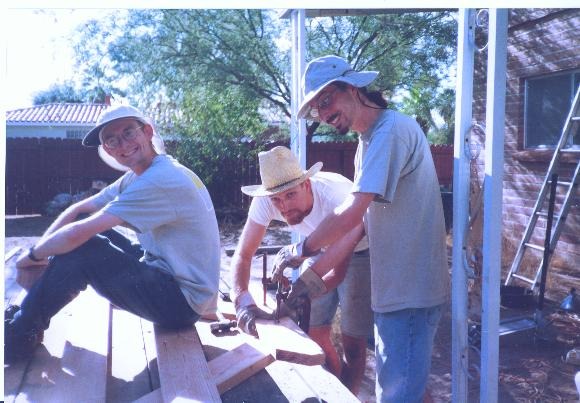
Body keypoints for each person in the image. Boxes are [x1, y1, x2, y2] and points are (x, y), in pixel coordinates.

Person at [272, 55, 449, 402]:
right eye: (317, 109)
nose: (323, 113)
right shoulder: (368, 141)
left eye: (327, 100)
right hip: (395, 290)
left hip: (410, 290)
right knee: (403, 388)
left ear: (353, 88)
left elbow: (351, 213)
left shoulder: (390, 131)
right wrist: (310, 282)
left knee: (397, 395)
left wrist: (300, 250)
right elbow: (360, 228)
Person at [5, 105, 221, 362]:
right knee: (81, 232)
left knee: (85, 248)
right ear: (107, 150)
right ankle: (28, 315)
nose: (123, 144)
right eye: (112, 140)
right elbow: (79, 210)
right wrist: (41, 259)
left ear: (147, 132)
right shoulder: (142, 174)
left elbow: (78, 234)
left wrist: (30, 257)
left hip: (180, 303)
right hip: (168, 276)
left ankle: (19, 333)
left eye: (128, 132)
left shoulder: (160, 179)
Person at [230, 146, 372, 395]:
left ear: (306, 184)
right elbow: (243, 255)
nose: (283, 207)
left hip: (360, 249)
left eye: (290, 195)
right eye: (276, 200)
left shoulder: (336, 198)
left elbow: (337, 273)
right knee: (312, 332)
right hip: (317, 246)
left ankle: (350, 396)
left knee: (352, 343)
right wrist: (243, 302)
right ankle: (335, 392)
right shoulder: (267, 201)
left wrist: (300, 292)